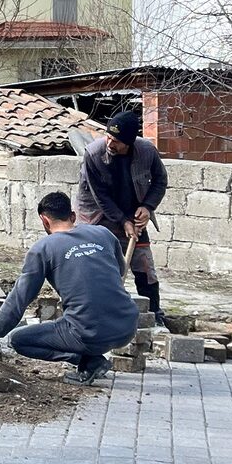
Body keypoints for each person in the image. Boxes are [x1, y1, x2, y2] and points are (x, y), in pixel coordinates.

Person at [0, 191, 138, 386]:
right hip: (127, 326)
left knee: (19, 340)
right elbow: (120, 270)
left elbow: (19, 300)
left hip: (89, 333)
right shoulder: (103, 233)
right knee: (68, 318)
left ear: (44, 221)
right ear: (72, 216)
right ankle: (92, 357)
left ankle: (89, 361)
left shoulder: (43, 249)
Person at [76, 110, 169, 327]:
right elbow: (100, 196)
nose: (110, 142)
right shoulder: (93, 153)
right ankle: (96, 315)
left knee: (144, 266)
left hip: (134, 213)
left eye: (116, 141)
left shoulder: (146, 151)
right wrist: (122, 221)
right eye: (108, 136)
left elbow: (160, 181)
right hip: (98, 216)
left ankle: (154, 315)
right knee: (100, 265)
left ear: (129, 142)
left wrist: (147, 207)